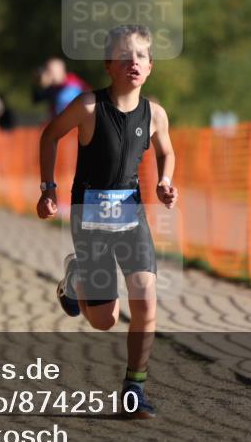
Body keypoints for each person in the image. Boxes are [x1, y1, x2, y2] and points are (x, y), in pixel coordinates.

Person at [36, 25, 178, 419]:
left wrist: (166, 181)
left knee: (146, 298)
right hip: (90, 218)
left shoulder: (155, 114)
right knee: (104, 319)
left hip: (132, 215)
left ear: (150, 67)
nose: (133, 62)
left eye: (141, 56)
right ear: (108, 65)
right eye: (124, 55)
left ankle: (134, 388)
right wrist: (48, 188)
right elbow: (49, 137)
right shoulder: (87, 107)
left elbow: (167, 152)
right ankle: (77, 276)